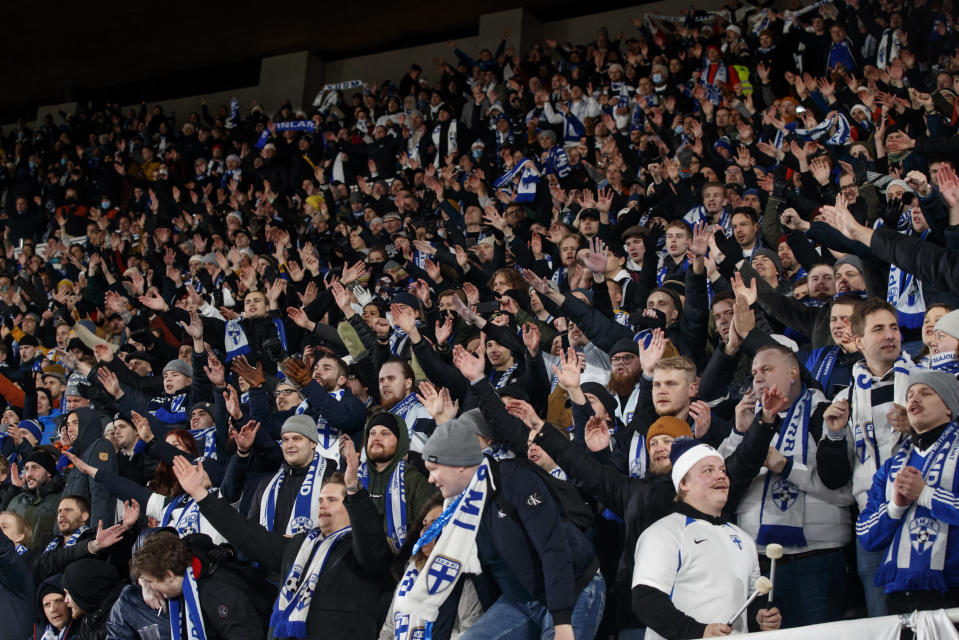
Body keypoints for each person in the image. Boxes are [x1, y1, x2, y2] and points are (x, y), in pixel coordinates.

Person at [175, 440, 392, 640]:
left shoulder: (362, 551)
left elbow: (371, 543)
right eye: (321, 499)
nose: (323, 504)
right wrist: (200, 494)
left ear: (351, 506)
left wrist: (354, 490)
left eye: (332, 499)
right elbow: (245, 533)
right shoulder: (300, 545)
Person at [414, 415, 606, 640]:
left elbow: (553, 547)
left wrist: (562, 622)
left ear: (459, 465)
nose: (430, 479)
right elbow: (448, 585)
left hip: (572, 588)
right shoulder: (453, 510)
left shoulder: (514, 479)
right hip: (519, 600)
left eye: (434, 468)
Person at [632, 437, 781, 638]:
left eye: (722, 470)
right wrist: (699, 632)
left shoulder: (744, 539)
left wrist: (760, 618)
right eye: (708, 470)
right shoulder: (663, 533)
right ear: (683, 483)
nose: (721, 476)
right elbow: (646, 600)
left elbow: (750, 600)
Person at [857, 370, 959, 614]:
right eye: (910, 394)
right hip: (900, 593)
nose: (914, 399)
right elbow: (867, 535)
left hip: (952, 588)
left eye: (926, 393)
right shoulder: (893, 466)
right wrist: (895, 507)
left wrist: (926, 494)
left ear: (949, 408)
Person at [130, 530, 269, 639]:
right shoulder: (193, 572)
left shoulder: (216, 592)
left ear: (169, 575)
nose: (151, 588)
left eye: (150, 582)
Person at [7, 449, 65, 549]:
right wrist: (14, 489)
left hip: (44, 561)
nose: (28, 474)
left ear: (49, 473)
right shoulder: (17, 500)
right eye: (26, 469)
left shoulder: (62, 500)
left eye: (35, 468)